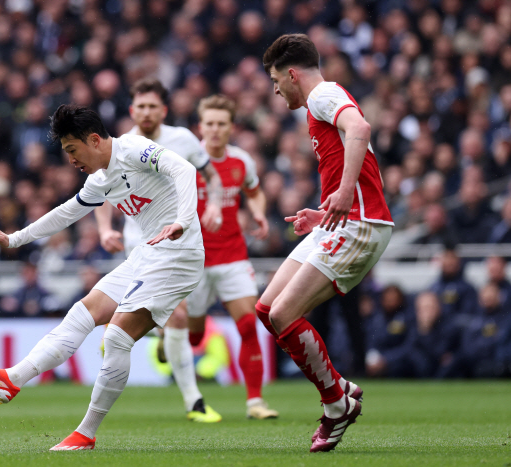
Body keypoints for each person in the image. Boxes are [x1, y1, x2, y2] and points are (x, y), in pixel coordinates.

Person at [0, 104, 204, 451]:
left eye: (73, 150)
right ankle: (12, 380)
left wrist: (182, 219)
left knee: (118, 336)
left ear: (94, 139)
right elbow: (66, 213)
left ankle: (86, 433)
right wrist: (15, 239)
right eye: (66, 153)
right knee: (83, 311)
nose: (71, 160)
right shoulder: (100, 179)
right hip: (148, 256)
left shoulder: (134, 149)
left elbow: (184, 169)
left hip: (179, 254)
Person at [258, 34, 393, 452]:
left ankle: (336, 403)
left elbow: (361, 128)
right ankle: (338, 393)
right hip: (338, 223)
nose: (276, 90)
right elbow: (356, 146)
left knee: (283, 314)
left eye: (277, 80)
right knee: (267, 310)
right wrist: (326, 209)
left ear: (292, 73)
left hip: (360, 224)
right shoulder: (325, 98)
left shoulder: (322, 96)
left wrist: (345, 193)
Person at [95, 78, 226, 422]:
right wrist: (105, 228)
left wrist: (214, 206)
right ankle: (192, 399)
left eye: (153, 106)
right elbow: (100, 189)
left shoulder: (182, 140)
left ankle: (162, 347)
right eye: (141, 106)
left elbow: (212, 177)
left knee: (176, 318)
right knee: (175, 317)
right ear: (132, 110)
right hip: (138, 244)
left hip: (175, 241)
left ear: (163, 110)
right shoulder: (120, 145)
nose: (147, 112)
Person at [184, 94, 279, 419]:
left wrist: (259, 214)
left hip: (233, 256)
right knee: (194, 335)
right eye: (209, 123)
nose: (214, 129)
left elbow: (254, 192)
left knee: (249, 324)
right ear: (200, 126)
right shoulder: (184, 159)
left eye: (221, 124)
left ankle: (255, 402)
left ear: (231, 127)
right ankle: (166, 337)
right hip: (194, 260)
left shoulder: (241, 161)